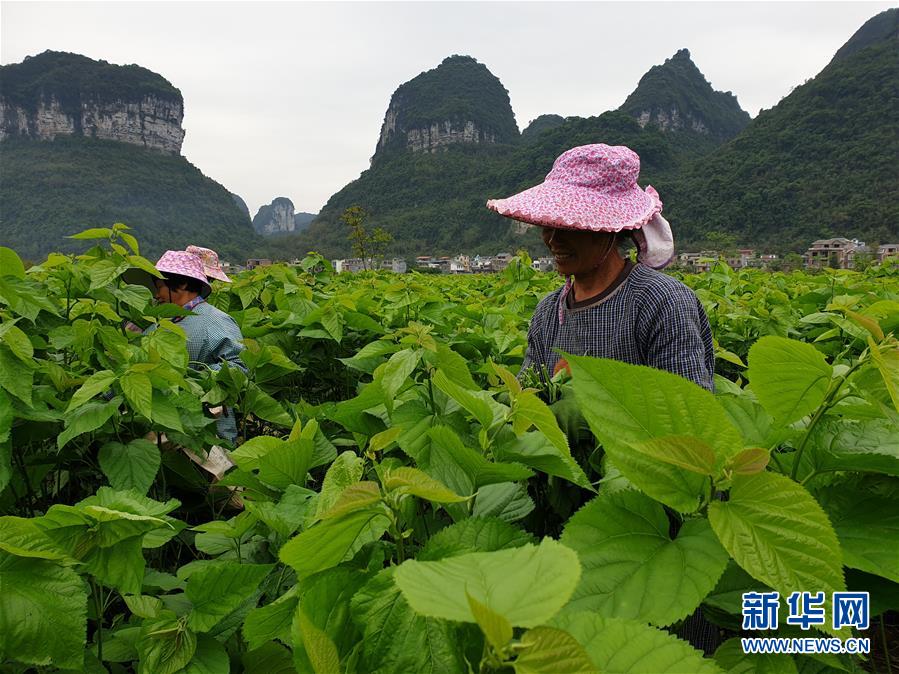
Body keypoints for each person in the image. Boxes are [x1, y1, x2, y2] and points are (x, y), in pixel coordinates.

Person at [486, 143, 714, 392]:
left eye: (568, 228)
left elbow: (689, 413)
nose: (552, 240)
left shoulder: (661, 302)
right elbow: (527, 399)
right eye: (548, 226)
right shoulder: (548, 313)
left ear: (608, 229)